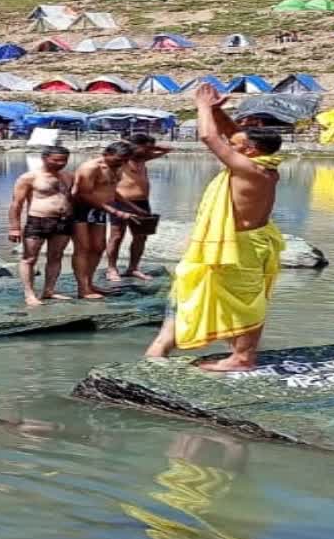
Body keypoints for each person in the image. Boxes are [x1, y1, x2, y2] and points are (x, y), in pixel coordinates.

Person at [144, 83, 285, 371]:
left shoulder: (251, 170)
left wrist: (203, 106)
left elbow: (209, 136)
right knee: (194, 285)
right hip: (245, 241)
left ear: (251, 150)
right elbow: (232, 134)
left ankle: (242, 358)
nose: (230, 143)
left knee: (244, 300)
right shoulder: (262, 163)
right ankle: (165, 346)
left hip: (242, 246)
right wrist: (219, 110)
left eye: (235, 145)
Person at [71, 142, 145, 299]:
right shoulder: (91, 167)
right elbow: (83, 193)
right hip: (81, 209)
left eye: (125, 160)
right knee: (83, 248)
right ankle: (82, 288)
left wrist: (132, 207)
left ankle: (89, 284)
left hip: (100, 210)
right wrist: (116, 211)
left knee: (98, 247)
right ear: (106, 153)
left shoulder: (117, 167)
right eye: (118, 159)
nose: (121, 163)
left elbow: (112, 190)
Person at [8, 146, 75, 306]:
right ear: (44, 158)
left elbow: (70, 198)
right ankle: (29, 294)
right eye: (56, 160)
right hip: (38, 220)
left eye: (64, 160)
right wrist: (14, 227)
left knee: (56, 256)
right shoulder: (29, 177)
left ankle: (49, 290)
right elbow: (16, 204)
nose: (60, 163)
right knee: (29, 258)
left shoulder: (68, 176)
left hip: (63, 221)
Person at [106, 133, 171, 282]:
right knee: (116, 236)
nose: (150, 152)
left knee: (141, 237)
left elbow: (168, 149)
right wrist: (132, 145)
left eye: (150, 149)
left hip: (142, 202)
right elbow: (114, 147)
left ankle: (133, 268)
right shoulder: (122, 160)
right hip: (121, 202)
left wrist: (148, 147)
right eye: (146, 149)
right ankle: (112, 269)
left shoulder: (143, 159)